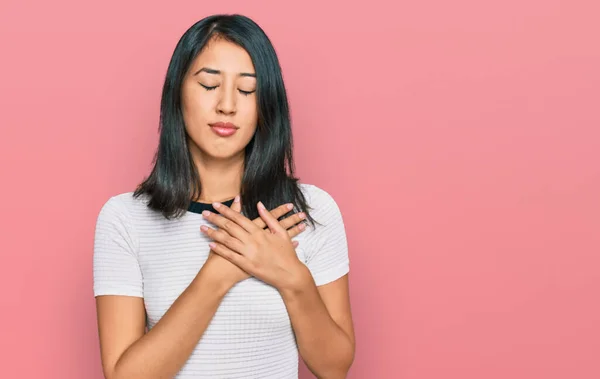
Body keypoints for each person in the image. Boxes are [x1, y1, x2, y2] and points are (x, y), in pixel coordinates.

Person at [93, 13, 355, 379]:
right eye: (209, 85)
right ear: (177, 92)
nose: (227, 105)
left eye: (247, 90)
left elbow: (334, 366)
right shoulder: (124, 218)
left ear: (266, 104)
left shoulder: (309, 211)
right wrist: (218, 275)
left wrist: (292, 278)